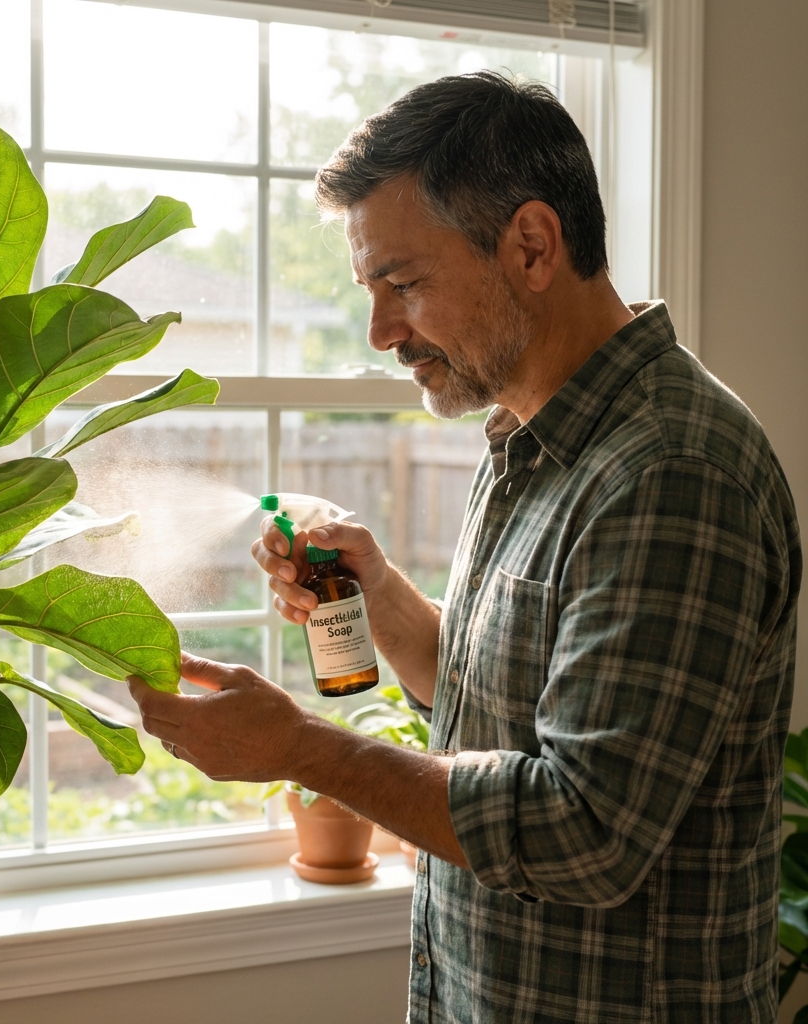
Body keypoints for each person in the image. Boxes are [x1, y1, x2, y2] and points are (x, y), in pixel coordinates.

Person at [129, 71, 801, 1022]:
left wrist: (301, 750)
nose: (380, 333)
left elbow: (587, 828)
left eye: (402, 284)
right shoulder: (528, 438)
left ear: (531, 245)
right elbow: (506, 705)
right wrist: (388, 604)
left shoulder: (674, 471)